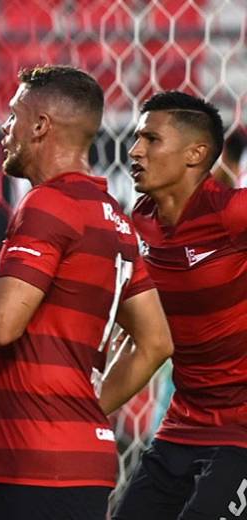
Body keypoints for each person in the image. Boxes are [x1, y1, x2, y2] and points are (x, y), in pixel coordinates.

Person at [0, 66, 173, 520]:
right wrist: (87, 413)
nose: (5, 128)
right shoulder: (112, 218)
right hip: (27, 464)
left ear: (41, 126)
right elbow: (156, 340)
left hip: (38, 472)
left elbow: (2, 322)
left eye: (14, 115)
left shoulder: (49, 204)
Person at [112, 91, 247, 520]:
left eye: (151, 139)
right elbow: (146, 340)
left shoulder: (233, 214)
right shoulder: (141, 221)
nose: (135, 150)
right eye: (136, 138)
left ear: (196, 153)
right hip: (182, 426)